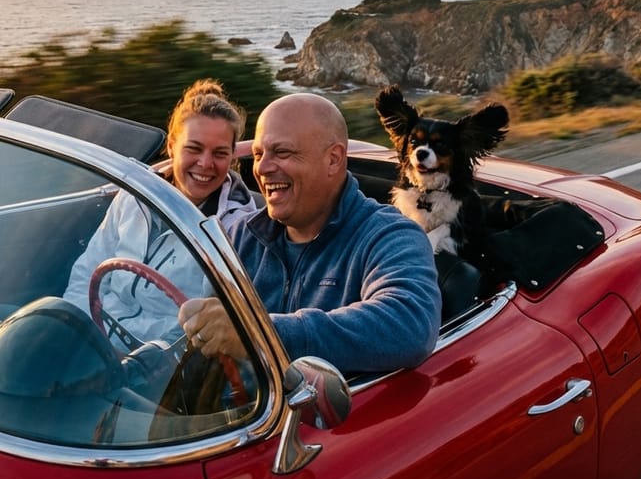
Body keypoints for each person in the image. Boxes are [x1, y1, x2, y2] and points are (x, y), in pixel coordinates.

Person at [177, 92, 442, 375]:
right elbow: (199, 331)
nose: (262, 168)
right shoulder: (239, 236)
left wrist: (260, 333)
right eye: (258, 154)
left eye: (282, 153)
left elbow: (408, 324)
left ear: (333, 159)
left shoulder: (390, 236)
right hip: (245, 402)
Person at [63, 79, 259, 350]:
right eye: (193, 148)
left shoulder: (238, 231)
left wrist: (141, 359)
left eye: (219, 153)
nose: (205, 163)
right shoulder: (135, 194)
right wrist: (74, 331)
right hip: (92, 337)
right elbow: (87, 271)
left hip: (154, 361)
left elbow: (208, 329)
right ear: (172, 146)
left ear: (232, 157)